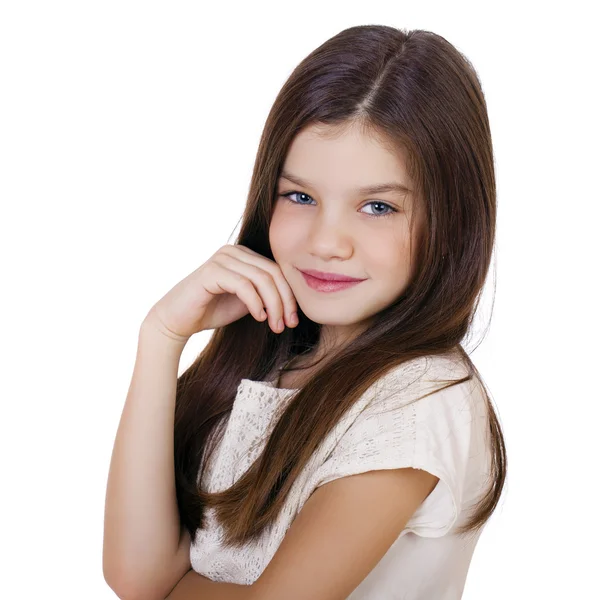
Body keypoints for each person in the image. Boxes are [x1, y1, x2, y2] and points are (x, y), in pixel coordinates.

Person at [103, 24, 506, 600]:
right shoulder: (275, 356)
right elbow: (138, 578)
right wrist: (161, 336)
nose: (327, 242)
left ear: (454, 220)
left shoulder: (421, 400)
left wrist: (175, 587)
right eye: (300, 197)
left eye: (377, 206)